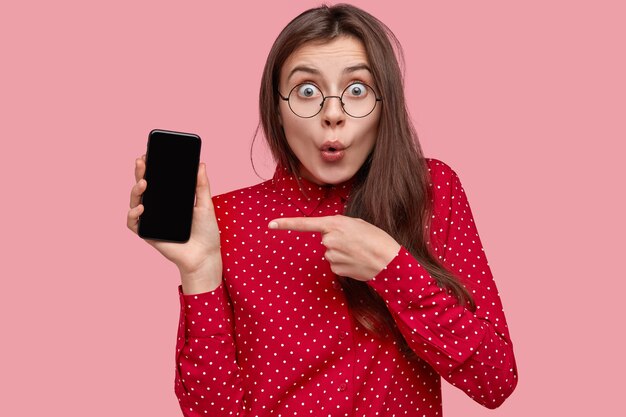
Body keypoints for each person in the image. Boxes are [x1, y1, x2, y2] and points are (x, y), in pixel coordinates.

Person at [127, 4, 517, 416]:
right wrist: (199, 273)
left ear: (386, 104)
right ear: (276, 109)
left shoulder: (429, 192)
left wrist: (392, 266)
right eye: (307, 91)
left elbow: (494, 380)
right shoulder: (224, 220)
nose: (333, 114)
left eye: (357, 90)